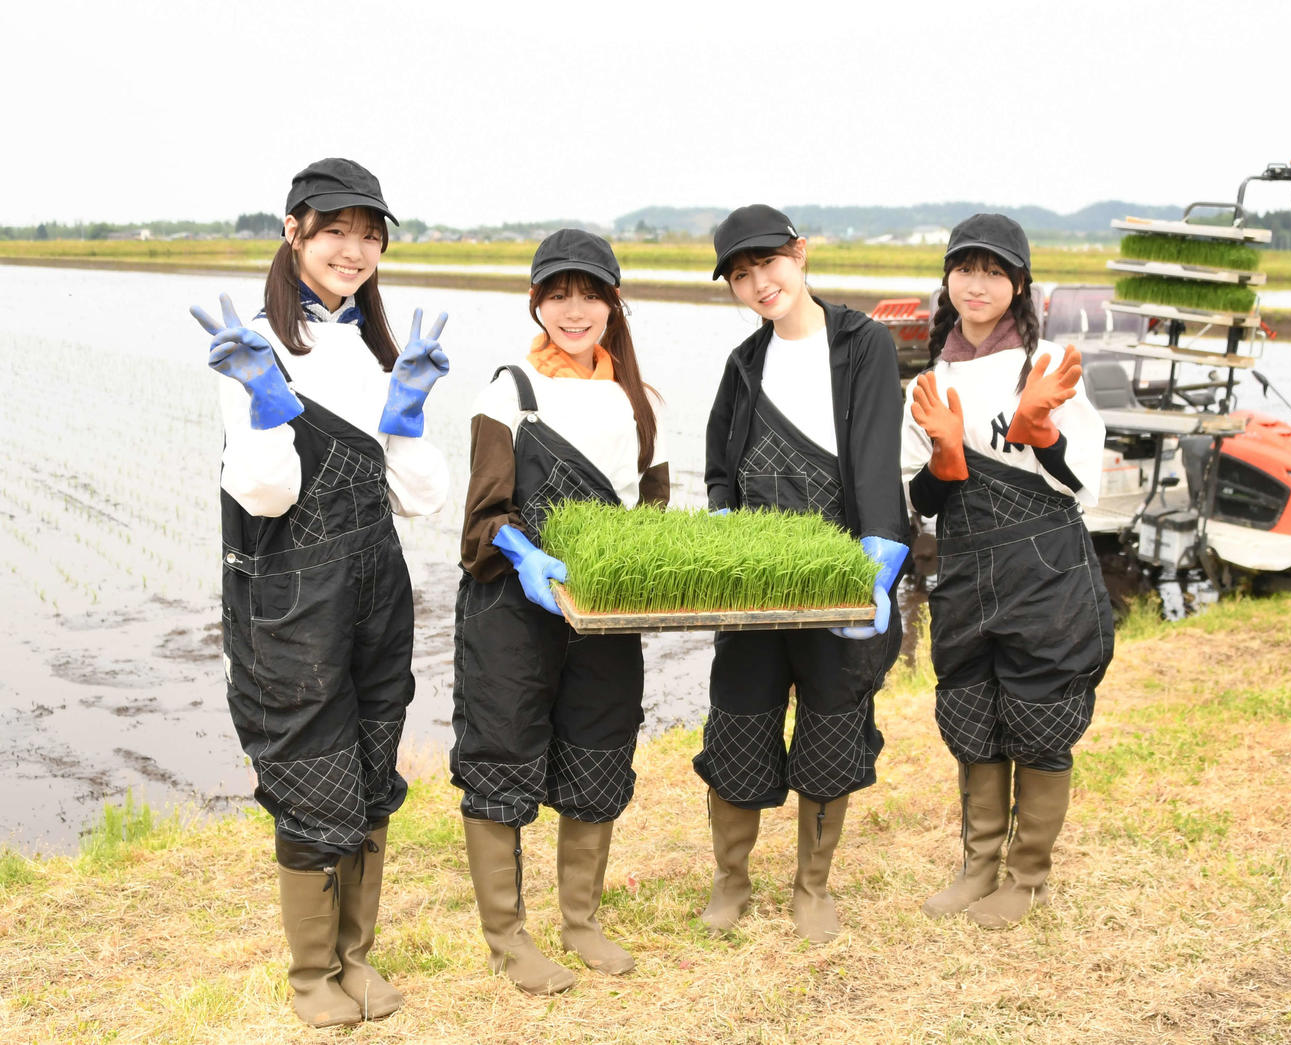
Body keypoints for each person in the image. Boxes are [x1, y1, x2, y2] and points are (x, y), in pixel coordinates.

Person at [190, 157, 450, 1027]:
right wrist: (267, 401)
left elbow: (420, 497)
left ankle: (355, 958)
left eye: (369, 234)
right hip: (290, 600)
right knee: (312, 775)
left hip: (378, 590)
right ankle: (310, 974)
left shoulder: (379, 348)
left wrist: (407, 412)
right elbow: (263, 495)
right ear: (293, 230)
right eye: (335, 228)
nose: (354, 248)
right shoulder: (255, 343)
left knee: (375, 767)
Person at [451, 229, 668, 994]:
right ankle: (508, 939)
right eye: (557, 294)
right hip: (513, 609)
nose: (573, 310)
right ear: (536, 302)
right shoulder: (507, 393)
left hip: (603, 619)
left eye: (590, 294)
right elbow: (480, 518)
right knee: (502, 757)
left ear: (614, 302)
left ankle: (581, 920)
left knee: (598, 750)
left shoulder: (642, 404)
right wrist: (523, 553)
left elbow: (653, 517)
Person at [695, 205, 910, 944]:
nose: (759, 284)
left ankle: (812, 884)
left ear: (801, 255)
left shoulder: (863, 344)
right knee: (740, 718)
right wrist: (722, 516)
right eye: (742, 275)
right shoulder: (743, 364)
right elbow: (720, 468)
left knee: (831, 723)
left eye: (769, 265)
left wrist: (879, 559)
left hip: (836, 580)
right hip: (754, 586)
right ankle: (731, 879)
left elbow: (879, 454)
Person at [901, 213, 1114, 929]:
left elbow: (1086, 481)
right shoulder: (932, 377)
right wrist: (944, 459)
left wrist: (1044, 431)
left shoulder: (1049, 364)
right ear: (948, 280)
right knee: (971, 712)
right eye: (966, 268)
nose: (978, 283)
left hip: (1045, 565)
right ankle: (978, 866)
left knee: (1041, 715)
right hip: (964, 563)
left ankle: (1026, 877)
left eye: (994, 271)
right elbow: (920, 499)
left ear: (1019, 283)